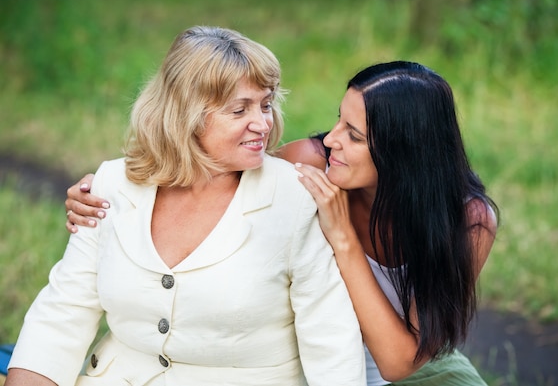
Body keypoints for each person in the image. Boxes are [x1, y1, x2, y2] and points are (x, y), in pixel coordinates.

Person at [64, 61, 499, 385]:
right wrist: (116, 186)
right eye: (338, 121)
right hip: (316, 364)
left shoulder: (468, 221)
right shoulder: (309, 164)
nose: (331, 140)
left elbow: (399, 362)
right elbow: (206, 175)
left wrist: (342, 236)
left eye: (354, 134)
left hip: (416, 371)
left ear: (407, 152)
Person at [6, 26, 366, 386]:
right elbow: (63, 313)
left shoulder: (296, 197)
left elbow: (330, 337)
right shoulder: (111, 186)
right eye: (240, 110)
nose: (263, 124)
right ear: (186, 114)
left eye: (266, 104)